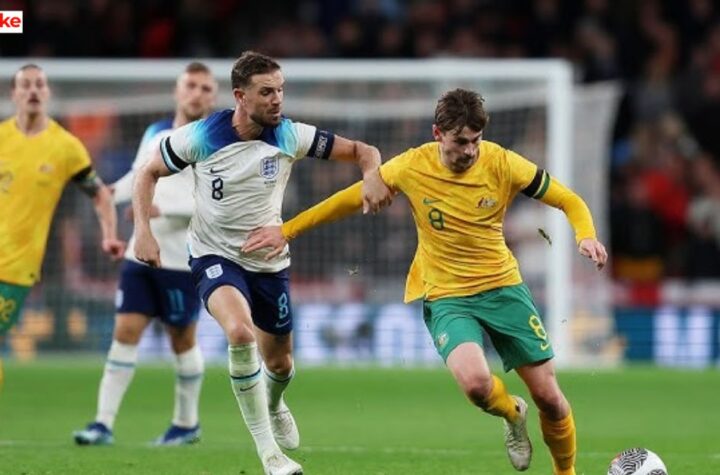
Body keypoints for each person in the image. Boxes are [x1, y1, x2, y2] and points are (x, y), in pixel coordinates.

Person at [243, 88, 609, 475]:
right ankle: (512, 413)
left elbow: (569, 200)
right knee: (475, 386)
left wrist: (585, 234)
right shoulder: (411, 166)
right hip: (448, 295)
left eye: (476, 141)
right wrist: (288, 230)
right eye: (461, 142)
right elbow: (347, 199)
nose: (470, 150)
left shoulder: (503, 163)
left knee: (550, 398)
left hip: (504, 289)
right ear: (438, 134)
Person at [133, 51, 392, 475]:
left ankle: (274, 403)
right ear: (240, 96)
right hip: (214, 255)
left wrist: (373, 175)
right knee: (239, 333)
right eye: (267, 92)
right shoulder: (201, 136)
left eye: (281, 91)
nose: (277, 100)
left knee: (281, 364)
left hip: (269, 261)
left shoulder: (290, 135)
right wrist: (144, 230)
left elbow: (366, 151)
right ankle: (271, 455)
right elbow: (148, 172)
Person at [73, 62, 218, 447]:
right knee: (125, 332)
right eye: (191, 85)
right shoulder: (156, 132)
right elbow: (140, 176)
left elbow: (218, 206)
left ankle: (187, 424)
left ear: (214, 97)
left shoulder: (215, 142)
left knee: (182, 340)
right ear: (177, 90)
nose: (197, 94)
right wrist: (109, 192)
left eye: (205, 88)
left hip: (182, 262)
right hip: (140, 255)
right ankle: (102, 424)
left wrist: (163, 211)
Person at [0, 64, 124, 387]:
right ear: (13, 94)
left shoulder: (65, 146)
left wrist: (109, 235)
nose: (32, 91)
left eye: (39, 84)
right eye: (25, 85)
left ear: (48, 93)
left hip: (15, 267)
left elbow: (99, 194)